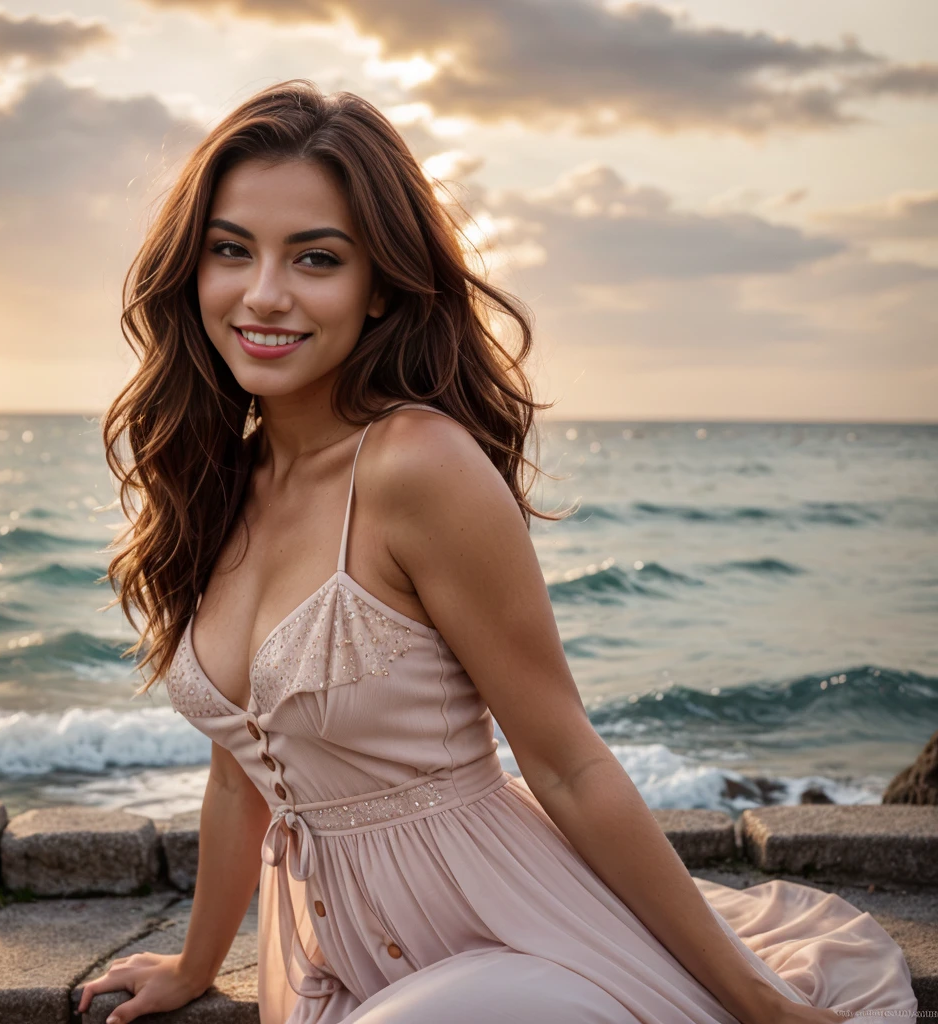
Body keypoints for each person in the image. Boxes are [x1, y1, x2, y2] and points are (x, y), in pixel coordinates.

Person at [78, 80, 916, 1024]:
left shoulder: (417, 465)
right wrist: (196, 965)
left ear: (381, 287)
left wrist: (760, 1007)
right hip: (335, 963)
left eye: (315, 258)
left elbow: (567, 765)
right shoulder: (220, 484)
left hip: (514, 942)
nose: (263, 293)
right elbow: (241, 770)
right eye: (231, 250)